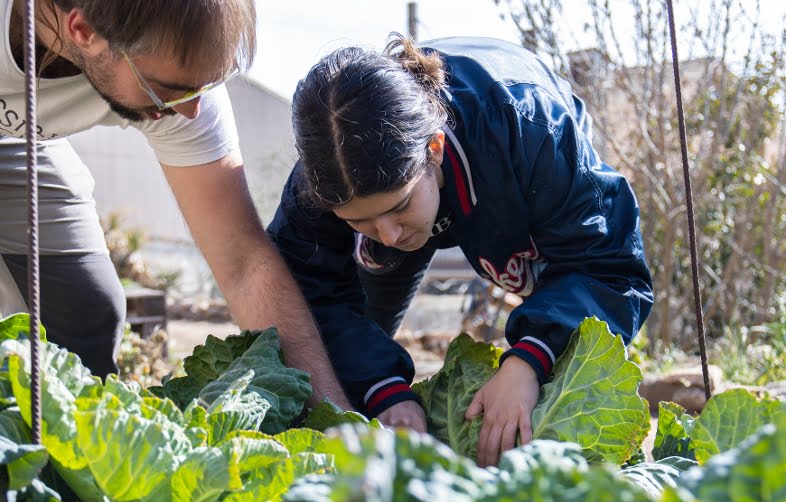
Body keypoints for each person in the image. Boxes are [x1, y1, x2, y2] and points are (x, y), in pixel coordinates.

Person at [267, 34, 654, 466]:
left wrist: (527, 362)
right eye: (359, 220)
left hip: (506, 167)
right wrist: (383, 391)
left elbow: (607, 266)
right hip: (426, 177)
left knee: (552, 359)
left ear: (435, 149)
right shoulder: (327, 173)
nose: (389, 235)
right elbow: (306, 292)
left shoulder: (532, 130)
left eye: (398, 207)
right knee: (358, 357)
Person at [0, 0, 350, 409]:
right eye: (170, 90)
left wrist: (332, 418)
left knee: (86, 312)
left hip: (19, 141)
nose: (189, 109)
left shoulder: (177, 75)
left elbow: (244, 264)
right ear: (84, 31)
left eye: (203, 88)